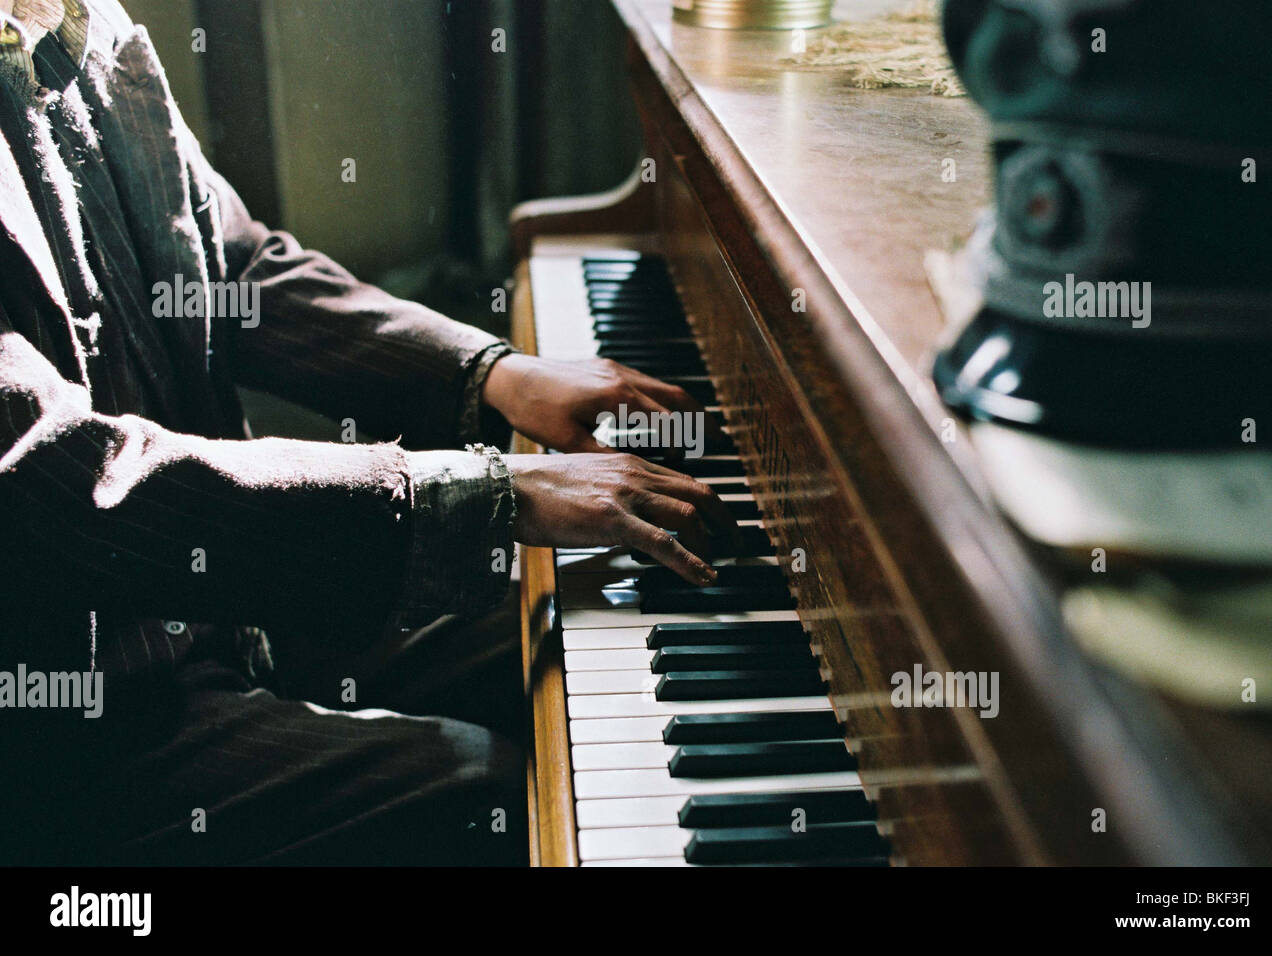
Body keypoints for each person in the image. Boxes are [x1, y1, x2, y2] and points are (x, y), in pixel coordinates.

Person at [0, 0, 733, 864]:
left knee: (589, 613)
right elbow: (66, 479)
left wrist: (493, 374)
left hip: (232, 604)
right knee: (494, 797)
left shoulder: (68, 15)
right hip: (87, 715)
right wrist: (488, 494)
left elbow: (229, 264)